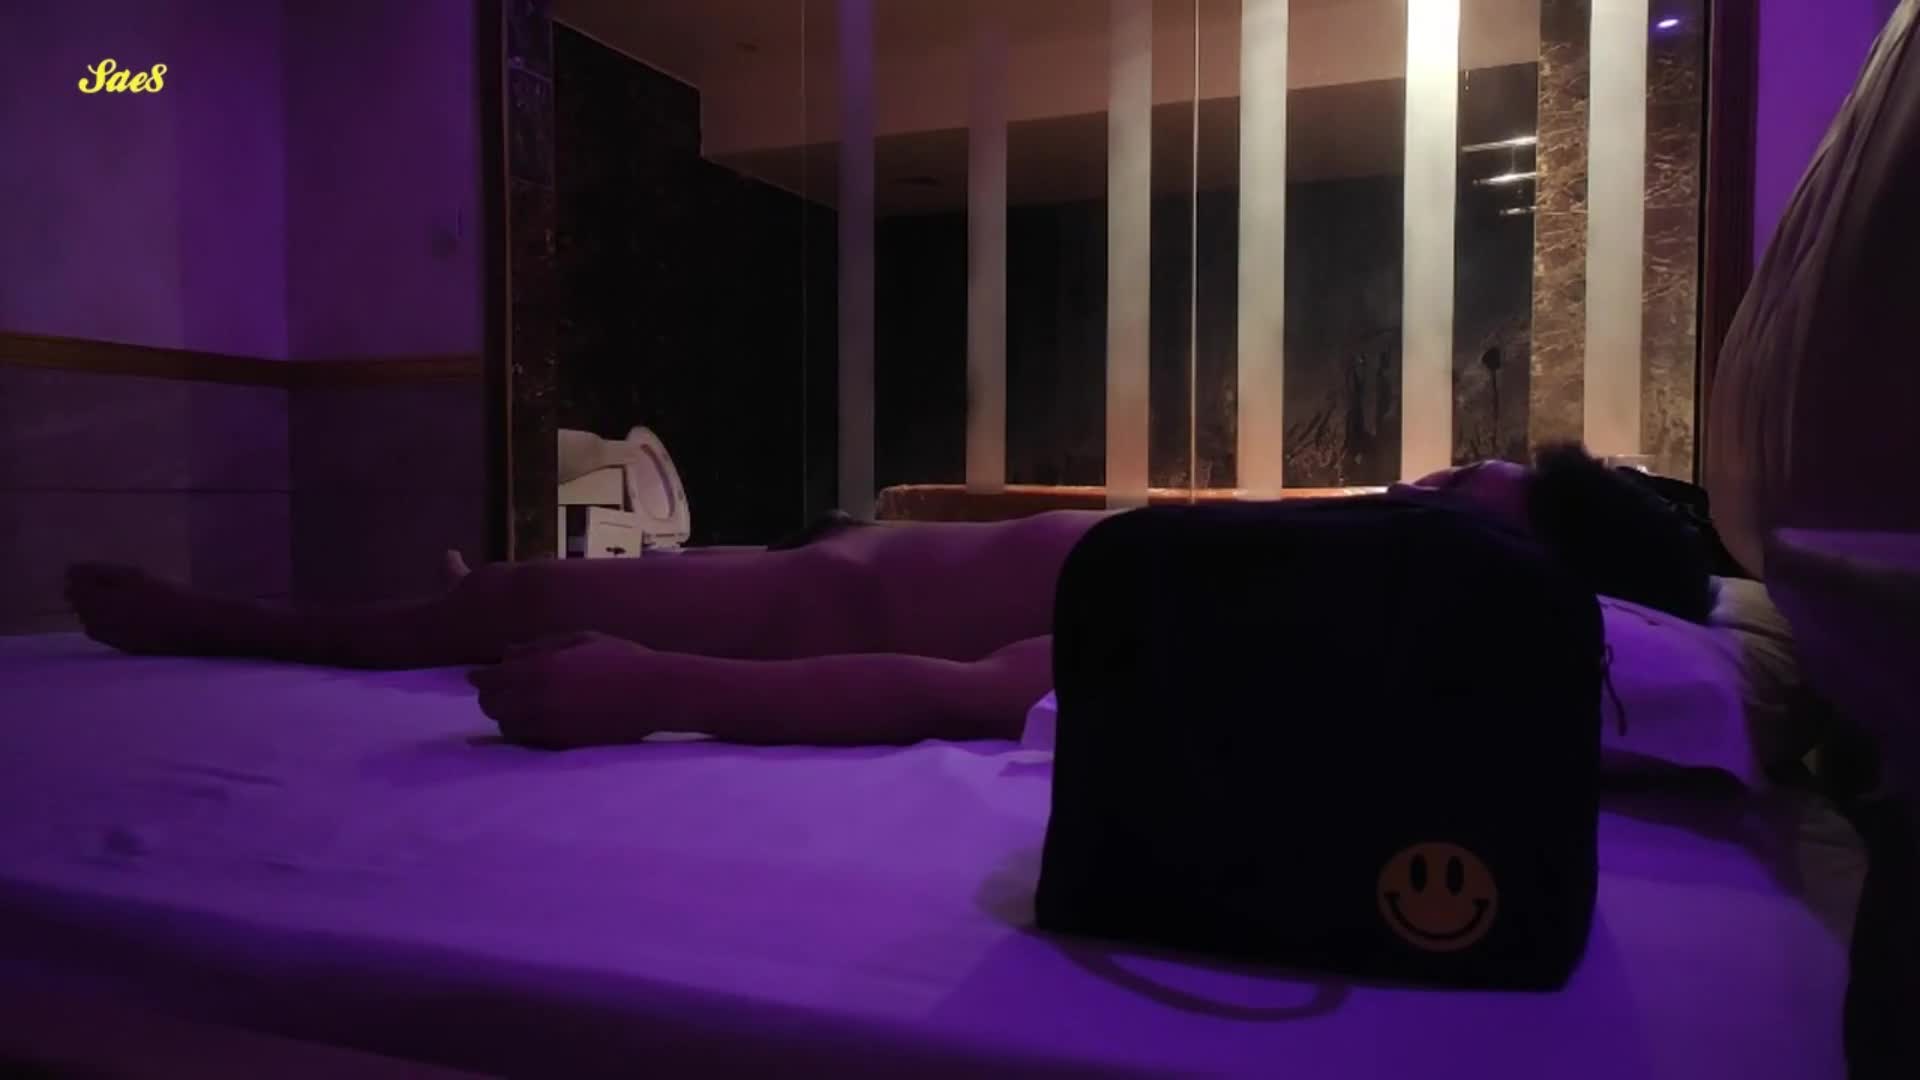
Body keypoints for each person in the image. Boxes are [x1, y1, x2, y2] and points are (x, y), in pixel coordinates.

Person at [65, 443, 1712, 750]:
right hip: (821, 570)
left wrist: (654, 686)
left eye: (1462, 496)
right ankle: (279, 625)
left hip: (813, 619)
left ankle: (246, 631)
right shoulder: (1317, 561)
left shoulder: (1310, 625)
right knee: (494, 589)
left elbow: (984, 690)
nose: (1427, 481)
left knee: (504, 596)